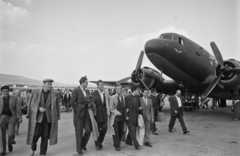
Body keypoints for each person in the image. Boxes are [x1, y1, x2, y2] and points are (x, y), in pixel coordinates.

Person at [26, 78, 61, 156]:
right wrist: (38, 108)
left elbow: (57, 106)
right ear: (44, 84)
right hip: (38, 118)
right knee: (35, 135)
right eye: (48, 84)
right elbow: (31, 104)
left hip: (48, 118)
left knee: (45, 136)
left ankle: (43, 153)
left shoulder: (55, 94)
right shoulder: (36, 92)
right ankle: (33, 149)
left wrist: (57, 116)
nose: (50, 86)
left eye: (51, 84)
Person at [70, 76, 99, 156]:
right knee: (79, 132)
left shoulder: (87, 91)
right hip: (79, 115)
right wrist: (77, 110)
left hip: (87, 113)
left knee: (88, 130)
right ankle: (79, 150)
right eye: (86, 82)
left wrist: (90, 103)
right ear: (82, 83)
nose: (87, 84)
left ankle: (82, 144)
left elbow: (89, 100)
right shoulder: (76, 91)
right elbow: (72, 102)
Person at [0, 86, 22, 156]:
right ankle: (2, 151)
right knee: (2, 135)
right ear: (1, 92)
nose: (5, 92)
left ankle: (10, 142)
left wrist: (19, 117)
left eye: (6, 91)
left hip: (12, 117)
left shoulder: (14, 98)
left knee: (10, 134)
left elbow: (18, 108)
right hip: (2, 118)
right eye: (4, 91)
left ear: (9, 91)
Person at [92, 80, 109, 150]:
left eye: (103, 84)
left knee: (105, 128)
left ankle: (99, 142)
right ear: (97, 86)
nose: (102, 86)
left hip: (104, 114)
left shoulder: (105, 93)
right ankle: (97, 144)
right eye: (101, 85)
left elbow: (107, 102)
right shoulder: (94, 93)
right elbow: (92, 104)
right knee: (97, 130)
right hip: (97, 114)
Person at [109, 85, 125, 151]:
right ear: (115, 90)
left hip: (122, 117)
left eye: (120, 89)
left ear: (122, 90)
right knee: (116, 131)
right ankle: (117, 145)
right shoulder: (113, 97)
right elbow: (111, 107)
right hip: (115, 117)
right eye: (117, 89)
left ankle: (116, 143)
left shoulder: (123, 97)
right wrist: (117, 112)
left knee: (121, 131)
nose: (119, 90)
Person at [125, 86, 141, 150]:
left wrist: (139, 108)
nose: (138, 91)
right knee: (132, 130)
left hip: (136, 116)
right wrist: (126, 116)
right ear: (134, 90)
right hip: (130, 116)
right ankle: (136, 144)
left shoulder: (138, 97)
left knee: (132, 130)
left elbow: (138, 106)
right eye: (137, 90)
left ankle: (128, 141)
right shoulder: (127, 98)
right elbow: (125, 108)